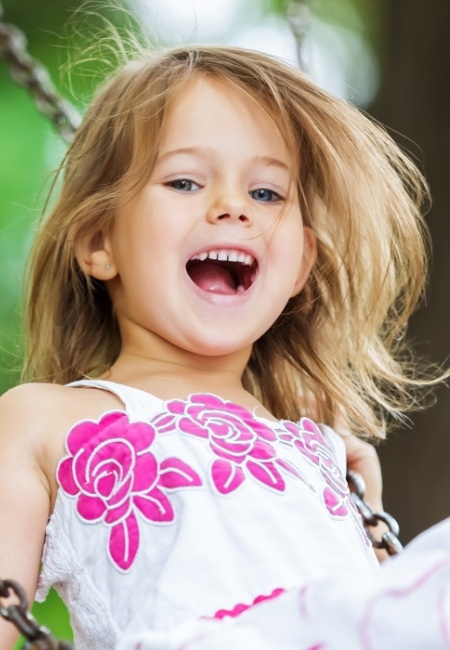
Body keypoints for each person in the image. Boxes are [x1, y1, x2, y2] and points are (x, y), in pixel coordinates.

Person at [0, 44, 447, 650]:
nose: (233, 207)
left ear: (300, 265)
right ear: (99, 240)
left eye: (267, 193)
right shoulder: (44, 420)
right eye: (185, 181)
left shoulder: (317, 449)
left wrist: (364, 516)